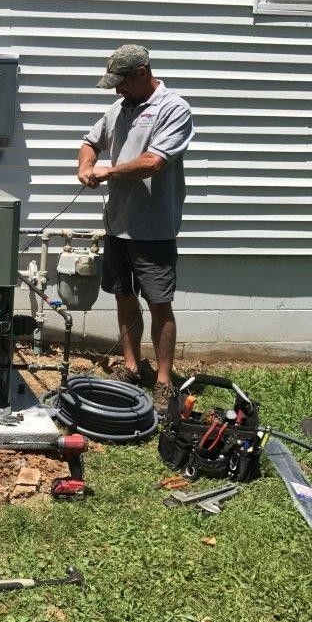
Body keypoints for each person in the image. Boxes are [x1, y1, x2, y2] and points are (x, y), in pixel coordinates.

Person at [77, 44, 194, 413]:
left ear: (142, 73)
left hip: (153, 228)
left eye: (121, 82)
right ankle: (131, 368)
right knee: (123, 298)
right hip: (118, 225)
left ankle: (163, 383)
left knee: (159, 305)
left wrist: (107, 171)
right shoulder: (119, 108)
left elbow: (152, 163)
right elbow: (90, 141)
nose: (116, 91)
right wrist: (86, 165)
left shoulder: (173, 108)